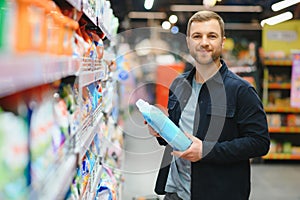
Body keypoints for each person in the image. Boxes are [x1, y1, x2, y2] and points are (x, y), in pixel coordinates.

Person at [146, 10, 270, 200]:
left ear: (222, 41)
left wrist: (207, 150)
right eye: (197, 36)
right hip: (176, 192)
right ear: (188, 42)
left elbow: (260, 143)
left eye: (212, 36)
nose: (204, 42)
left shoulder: (241, 90)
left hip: (218, 193)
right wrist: (161, 131)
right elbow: (178, 136)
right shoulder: (179, 84)